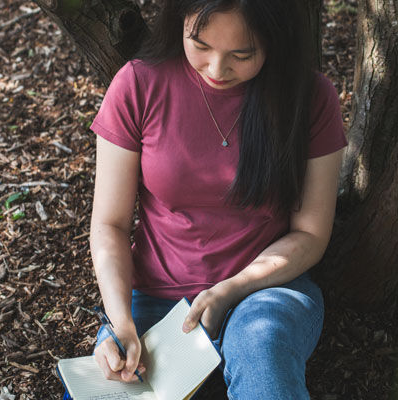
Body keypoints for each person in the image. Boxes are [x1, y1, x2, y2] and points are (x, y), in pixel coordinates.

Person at [87, 0, 346, 398]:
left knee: (261, 350)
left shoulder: (309, 98)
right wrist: (120, 321)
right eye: (200, 45)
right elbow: (110, 224)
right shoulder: (138, 84)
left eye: (241, 55)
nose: (216, 68)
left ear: (274, 42)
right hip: (156, 297)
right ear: (180, 21)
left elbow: (310, 234)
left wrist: (232, 289)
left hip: (264, 292)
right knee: (117, 376)